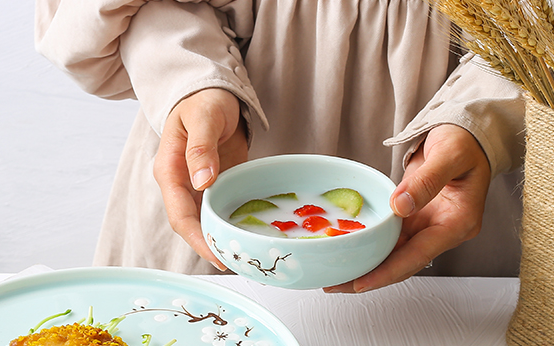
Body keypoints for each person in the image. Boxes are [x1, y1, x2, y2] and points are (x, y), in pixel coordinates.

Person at [35, 0, 525, 292]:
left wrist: (482, 118)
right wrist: (190, 79)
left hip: (456, 191)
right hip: (216, 150)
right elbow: (158, 8)